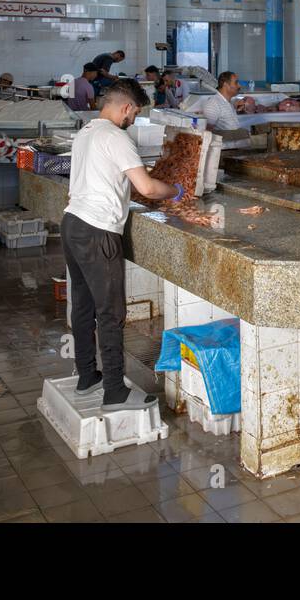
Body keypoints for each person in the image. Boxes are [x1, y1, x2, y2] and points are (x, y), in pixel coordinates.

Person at [63, 78, 180, 411]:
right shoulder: (116, 136)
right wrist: (176, 191)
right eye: (136, 112)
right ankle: (114, 391)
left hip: (72, 222)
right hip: (98, 231)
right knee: (111, 313)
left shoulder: (86, 132)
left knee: (83, 306)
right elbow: (147, 187)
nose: (133, 119)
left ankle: (88, 376)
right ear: (126, 107)